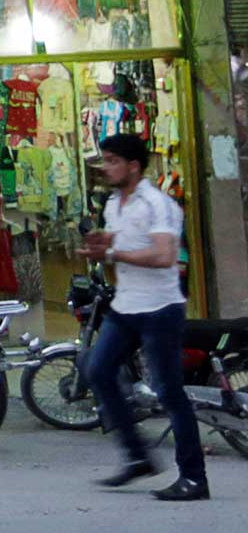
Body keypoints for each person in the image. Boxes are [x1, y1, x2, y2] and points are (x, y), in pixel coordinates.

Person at [82, 133, 208, 501]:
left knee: (169, 392)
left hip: (160, 309)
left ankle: (194, 478)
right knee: (98, 370)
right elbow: (120, 247)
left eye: (111, 161)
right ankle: (138, 457)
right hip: (125, 306)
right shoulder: (112, 204)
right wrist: (101, 247)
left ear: (132, 166)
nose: (105, 168)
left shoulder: (158, 204)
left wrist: (113, 255)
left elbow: (165, 256)